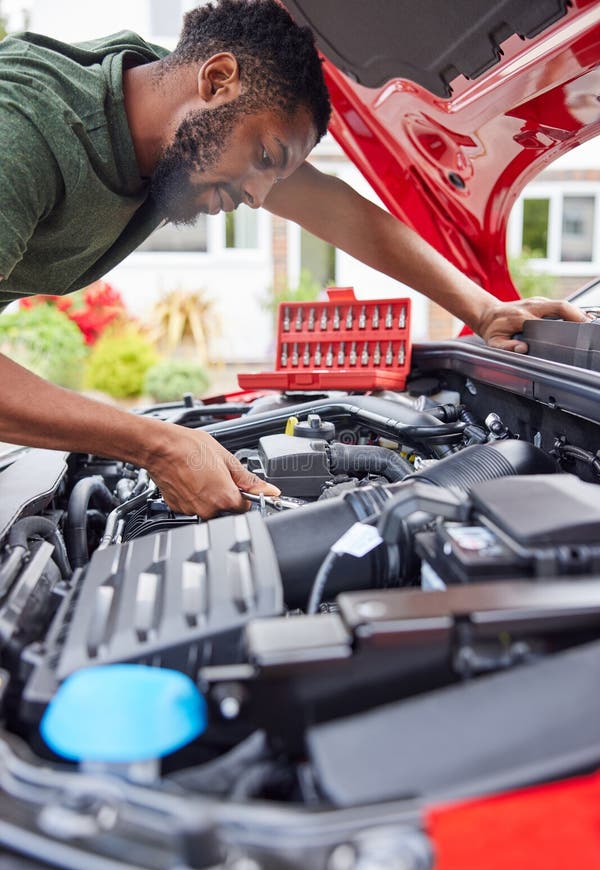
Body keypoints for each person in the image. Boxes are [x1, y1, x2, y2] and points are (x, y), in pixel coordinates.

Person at [0, 0, 586, 518]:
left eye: (272, 175)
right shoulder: (24, 129)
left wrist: (482, 308)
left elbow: (338, 210)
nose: (257, 196)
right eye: (264, 155)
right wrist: (155, 444)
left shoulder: (174, 103)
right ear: (218, 78)